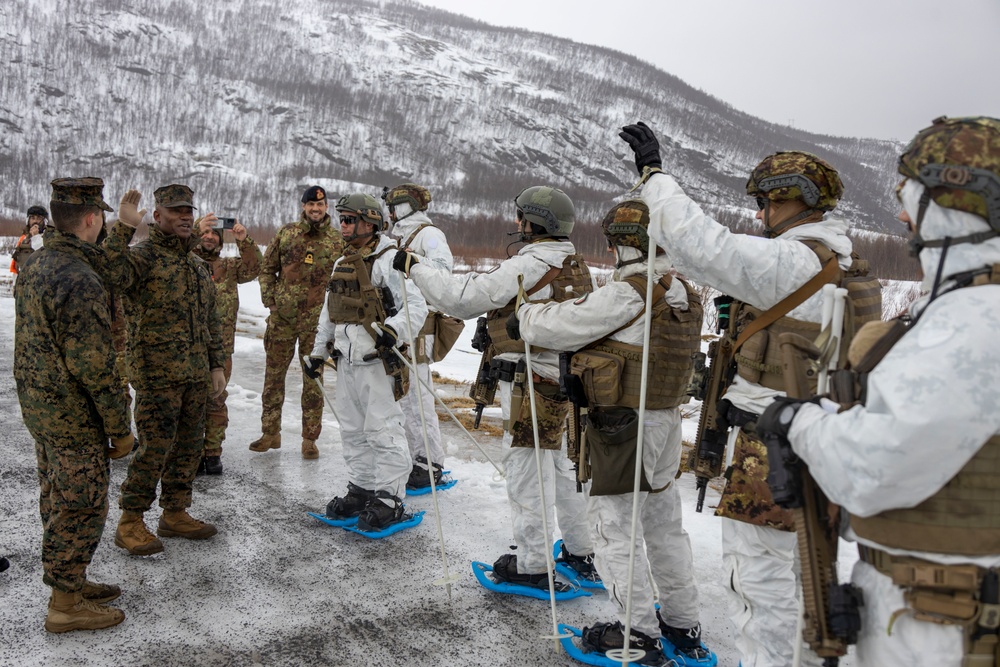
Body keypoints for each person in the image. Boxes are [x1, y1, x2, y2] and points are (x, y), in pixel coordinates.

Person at [618, 121, 881, 667]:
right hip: (818, 441)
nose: (760, 214)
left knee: (757, 585)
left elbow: (698, 245)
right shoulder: (841, 263)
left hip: (775, 446)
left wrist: (655, 178)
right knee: (803, 576)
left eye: (766, 202)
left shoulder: (796, 261)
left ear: (795, 201)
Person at [757, 115, 1000, 666]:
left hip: (943, 624)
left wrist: (801, 423)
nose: (899, 215)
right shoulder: (963, 308)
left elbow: (875, 469)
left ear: (953, 204)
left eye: (909, 197)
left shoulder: (976, 323)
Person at [514, 200, 709, 665]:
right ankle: (682, 623)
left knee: (614, 527)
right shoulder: (681, 289)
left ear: (622, 242)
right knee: (663, 525)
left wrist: (523, 313)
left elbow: (563, 324)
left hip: (624, 425)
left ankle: (635, 634)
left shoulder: (631, 290)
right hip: (664, 420)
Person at [393, 185, 598, 587]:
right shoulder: (575, 263)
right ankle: (580, 551)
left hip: (530, 384)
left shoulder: (531, 264)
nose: (517, 223)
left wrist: (414, 266)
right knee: (561, 470)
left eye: (521, 216)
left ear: (532, 222)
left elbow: (460, 299)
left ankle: (534, 566)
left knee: (526, 472)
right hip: (563, 380)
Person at [13, 177, 132, 632]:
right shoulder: (78, 277)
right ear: (90, 219)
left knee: (56, 494)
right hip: (70, 412)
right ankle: (65, 603)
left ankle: (72, 581)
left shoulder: (40, 263)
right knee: (81, 502)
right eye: (100, 215)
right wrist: (119, 428)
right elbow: (96, 367)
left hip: (41, 407)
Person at [103, 184, 227, 556]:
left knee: (189, 448)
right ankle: (130, 521)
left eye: (188, 211)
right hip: (157, 376)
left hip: (194, 375)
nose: (185, 217)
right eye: (175, 211)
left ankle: (175, 512)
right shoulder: (143, 258)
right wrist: (122, 229)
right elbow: (109, 273)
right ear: (158, 217)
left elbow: (210, 319)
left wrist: (216, 363)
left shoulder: (194, 265)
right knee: (154, 449)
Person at [304, 193, 427, 531]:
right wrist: (318, 351)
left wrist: (394, 329)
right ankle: (361, 488)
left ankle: (390, 497)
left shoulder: (391, 259)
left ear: (370, 223)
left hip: (377, 361)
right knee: (353, 430)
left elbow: (416, 306)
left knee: (383, 430)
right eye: (340, 219)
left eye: (348, 219)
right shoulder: (341, 262)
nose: (342, 225)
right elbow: (329, 314)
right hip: (346, 361)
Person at [251, 185, 344, 459]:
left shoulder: (338, 241)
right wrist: (271, 301)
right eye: (311, 205)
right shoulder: (287, 233)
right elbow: (267, 269)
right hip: (283, 319)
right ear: (303, 206)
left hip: (317, 324)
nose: (316, 209)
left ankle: (309, 438)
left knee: (313, 380)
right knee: (273, 377)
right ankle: (270, 433)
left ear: (326, 207)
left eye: (321, 205)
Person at [384, 183, 454, 490]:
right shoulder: (400, 236)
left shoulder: (429, 235)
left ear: (403, 207)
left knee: (418, 396)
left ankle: (430, 462)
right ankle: (416, 455)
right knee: (403, 395)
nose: (388, 212)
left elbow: (443, 272)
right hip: (401, 321)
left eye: (391, 207)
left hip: (421, 323)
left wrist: (413, 261)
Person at [192, 216, 262, 475]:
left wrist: (244, 242)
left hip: (221, 350)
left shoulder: (229, 267)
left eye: (215, 234)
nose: (210, 237)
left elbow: (255, 268)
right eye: (205, 232)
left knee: (216, 399)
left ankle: (212, 453)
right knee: (189, 401)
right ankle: (191, 452)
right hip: (188, 348)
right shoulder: (185, 262)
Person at [10, 205, 48, 273]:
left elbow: (45, 256)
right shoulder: (23, 239)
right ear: (28, 220)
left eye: (39, 218)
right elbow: (16, 264)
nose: (35, 221)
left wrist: (36, 237)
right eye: (32, 218)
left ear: (45, 221)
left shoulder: (50, 238)